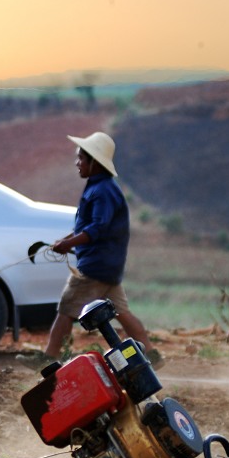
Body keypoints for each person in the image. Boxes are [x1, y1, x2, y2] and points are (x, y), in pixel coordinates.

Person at [37, 131, 160, 366]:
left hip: (95, 267)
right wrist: (65, 241)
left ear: (94, 162)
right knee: (122, 312)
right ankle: (152, 356)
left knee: (66, 309)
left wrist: (69, 244)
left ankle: (48, 359)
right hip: (108, 265)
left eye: (81, 158)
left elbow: (98, 228)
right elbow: (89, 226)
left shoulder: (102, 191)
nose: (77, 163)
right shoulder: (101, 187)